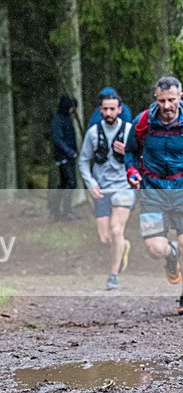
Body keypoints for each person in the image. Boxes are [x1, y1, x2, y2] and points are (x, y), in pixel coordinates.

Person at [125, 76, 183, 313]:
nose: (167, 106)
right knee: (155, 249)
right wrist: (131, 172)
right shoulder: (142, 123)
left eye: (171, 100)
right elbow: (129, 153)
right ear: (156, 99)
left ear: (180, 96)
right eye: (162, 101)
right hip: (152, 193)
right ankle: (171, 255)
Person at [78, 92, 134, 290]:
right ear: (100, 110)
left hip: (124, 188)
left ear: (120, 110)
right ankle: (123, 245)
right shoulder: (93, 133)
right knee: (105, 238)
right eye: (105, 109)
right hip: (101, 189)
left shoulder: (130, 131)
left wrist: (127, 152)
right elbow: (83, 160)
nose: (109, 112)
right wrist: (91, 183)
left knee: (116, 229)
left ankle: (113, 275)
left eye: (113, 109)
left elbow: (141, 157)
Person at [51, 95, 79, 221]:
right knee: (70, 183)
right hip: (63, 157)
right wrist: (69, 152)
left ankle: (57, 210)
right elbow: (58, 139)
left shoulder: (67, 119)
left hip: (69, 156)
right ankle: (64, 211)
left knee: (65, 184)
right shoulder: (58, 120)